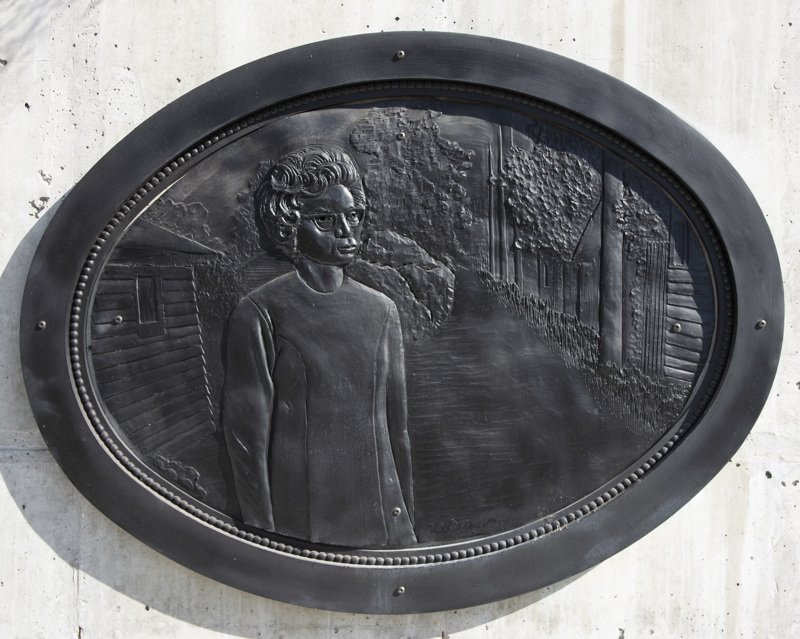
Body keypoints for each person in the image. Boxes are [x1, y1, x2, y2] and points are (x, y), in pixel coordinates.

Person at [222, 145, 416, 547]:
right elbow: (246, 438)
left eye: (354, 216)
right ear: (289, 224)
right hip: (302, 520)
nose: (347, 232)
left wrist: (406, 524)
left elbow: (397, 429)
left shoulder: (382, 311)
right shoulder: (260, 311)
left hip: (379, 515)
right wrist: (262, 536)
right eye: (325, 220)